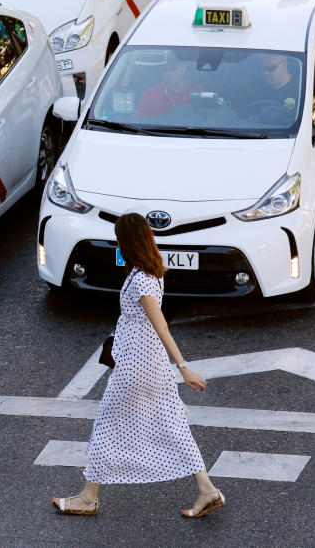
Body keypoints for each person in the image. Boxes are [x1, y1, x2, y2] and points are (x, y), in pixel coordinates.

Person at [52, 213, 226, 519]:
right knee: (173, 426)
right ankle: (207, 490)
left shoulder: (143, 280)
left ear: (128, 242)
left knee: (107, 425)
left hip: (136, 367)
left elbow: (161, 326)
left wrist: (184, 366)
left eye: (120, 238)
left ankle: (87, 498)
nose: (117, 242)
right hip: (152, 364)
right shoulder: (151, 271)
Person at [137, 61, 204, 116]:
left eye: (172, 68)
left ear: (183, 68)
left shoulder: (199, 91)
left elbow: (208, 118)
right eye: (165, 69)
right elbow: (139, 119)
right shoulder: (151, 93)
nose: (168, 73)